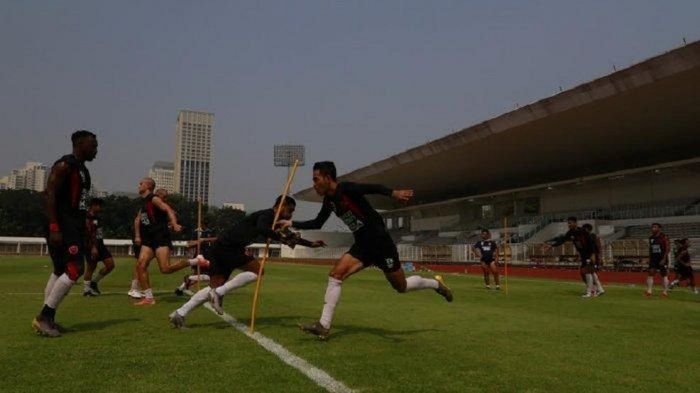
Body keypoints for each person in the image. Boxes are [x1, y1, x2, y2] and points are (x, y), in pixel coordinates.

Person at [279, 161, 453, 340]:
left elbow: (371, 187)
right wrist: (291, 223)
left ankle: (436, 285)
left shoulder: (346, 189)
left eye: (316, 179)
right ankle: (323, 325)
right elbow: (317, 223)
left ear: (327, 178)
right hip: (362, 245)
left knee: (401, 286)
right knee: (335, 275)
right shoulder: (329, 201)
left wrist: (393, 193)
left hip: (381, 243)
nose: (314, 184)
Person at [169, 196, 324, 328]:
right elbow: (263, 229)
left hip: (221, 248)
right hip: (229, 248)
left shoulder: (276, 222)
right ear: (280, 206)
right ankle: (218, 293)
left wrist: (310, 244)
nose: (290, 215)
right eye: (289, 211)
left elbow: (289, 236)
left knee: (214, 286)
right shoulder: (267, 215)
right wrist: (281, 237)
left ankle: (180, 313)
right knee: (258, 271)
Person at [32, 130, 98, 337]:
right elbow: (49, 194)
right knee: (75, 269)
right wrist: (54, 227)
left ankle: (48, 318)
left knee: (60, 269)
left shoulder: (83, 171)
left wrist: (86, 231)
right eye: (93, 145)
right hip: (63, 225)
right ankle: (44, 316)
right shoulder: (64, 165)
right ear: (79, 145)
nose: (96, 150)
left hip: (74, 225)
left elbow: (81, 203)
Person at [133, 177, 208, 305]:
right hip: (148, 239)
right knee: (141, 265)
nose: (138, 185)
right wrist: (138, 236)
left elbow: (168, 209)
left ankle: (195, 261)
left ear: (148, 186)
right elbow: (138, 219)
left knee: (165, 269)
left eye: (141, 183)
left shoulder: (154, 198)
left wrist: (174, 223)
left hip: (160, 236)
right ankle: (149, 298)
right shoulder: (142, 202)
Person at [128, 188, 169, 299]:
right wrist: (137, 236)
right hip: (142, 236)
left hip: (148, 237)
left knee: (144, 263)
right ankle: (134, 288)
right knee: (140, 262)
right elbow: (137, 220)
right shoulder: (147, 203)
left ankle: (137, 289)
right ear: (157, 195)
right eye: (164, 197)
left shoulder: (156, 207)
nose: (165, 199)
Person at [543, 217, 598, 298]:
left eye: (570, 223)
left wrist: (593, 254)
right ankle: (594, 290)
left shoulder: (583, 231)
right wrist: (551, 246)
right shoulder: (570, 233)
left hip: (588, 254)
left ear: (575, 223)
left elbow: (591, 243)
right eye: (568, 223)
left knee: (586, 272)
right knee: (584, 273)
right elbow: (563, 240)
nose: (569, 225)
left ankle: (590, 292)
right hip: (583, 255)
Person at [83, 198, 115, 296]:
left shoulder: (98, 218)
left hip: (100, 245)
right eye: (100, 206)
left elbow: (98, 233)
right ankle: (86, 290)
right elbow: (88, 234)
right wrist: (93, 247)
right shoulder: (86, 218)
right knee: (91, 267)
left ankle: (94, 283)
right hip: (90, 246)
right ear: (93, 205)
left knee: (110, 265)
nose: (101, 208)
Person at [174, 223, 215, 296]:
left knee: (197, 275)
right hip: (202, 255)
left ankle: (181, 288)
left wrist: (204, 240)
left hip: (209, 254)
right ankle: (188, 280)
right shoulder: (196, 232)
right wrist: (196, 242)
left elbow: (216, 239)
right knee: (210, 275)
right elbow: (190, 243)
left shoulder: (211, 231)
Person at [645, 223, 670, 298]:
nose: (653, 228)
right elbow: (650, 249)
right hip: (653, 258)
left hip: (662, 258)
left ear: (659, 228)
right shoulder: (651, 238)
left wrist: (664, 258)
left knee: (664, 274)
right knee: (650, 272)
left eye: (655, 227)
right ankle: (649, 291)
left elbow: (667, 248)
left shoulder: (664, 237)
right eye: (652, 227)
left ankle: (665, 292)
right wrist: (649, 258)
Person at [581, 223, 605, 296]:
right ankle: (599, 289)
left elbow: (597, 247)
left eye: (583, 229)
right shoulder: (591, 236)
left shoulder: (591, 236)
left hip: (592, 257)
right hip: (592, 257)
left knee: (587, 272)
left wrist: (598, 257)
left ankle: (592, 290)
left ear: (586, 229)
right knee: (592, 273)